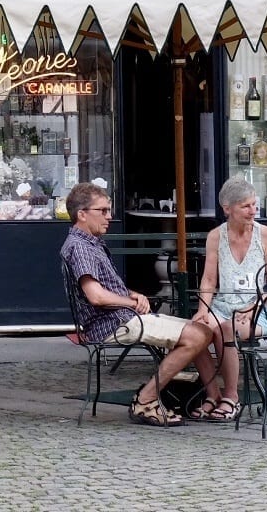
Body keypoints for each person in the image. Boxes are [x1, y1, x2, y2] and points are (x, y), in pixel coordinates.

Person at [60, 182, 218, 428]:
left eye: (109, 210)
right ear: (82, 214)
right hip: (112, 324)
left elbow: (109, 289)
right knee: (197, 336)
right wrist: (131, 301)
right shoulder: (80, 247)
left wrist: (134, 295)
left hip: (120, 317)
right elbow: (96, 296)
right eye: (102, 211)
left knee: (202, 331)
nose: (109, 216)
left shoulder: (91, 243)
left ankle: (214, 399)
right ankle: (146, 399)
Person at [190, 176, 267, 421]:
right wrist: (203, 308)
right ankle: (213, 395)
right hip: (223, 305)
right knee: (194, 330)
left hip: (261, 309)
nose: (253, 211)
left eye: (254, 205)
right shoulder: (215, 236)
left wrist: (253, 309)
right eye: (246, 206)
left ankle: (232, 397)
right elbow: (209, 280)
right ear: (227, 209)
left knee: (227, 329)